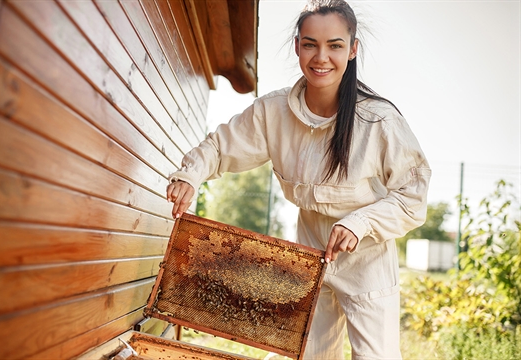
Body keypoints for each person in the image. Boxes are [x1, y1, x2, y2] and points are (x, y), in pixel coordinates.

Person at [165, 0, 431, 358]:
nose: (321, 57)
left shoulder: (379, 120)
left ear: (352, 50)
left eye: (335, 45)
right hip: (309, 255)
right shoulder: (273, 112)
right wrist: (190, 175)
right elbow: (221, 147)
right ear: (297, 46)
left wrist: (359, 223)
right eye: (311, 44)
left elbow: (413, 197)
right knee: (311, 355)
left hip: (368, 260)